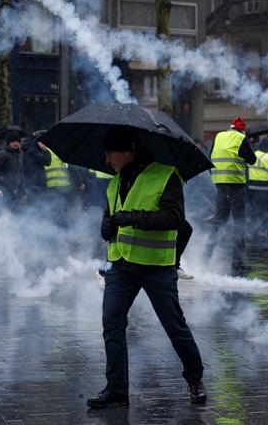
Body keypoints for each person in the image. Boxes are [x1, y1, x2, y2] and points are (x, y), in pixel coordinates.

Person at [86, 128, 205, 409]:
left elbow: (175, 218)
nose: (106, 160)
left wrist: (131, 217)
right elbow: (111, 216)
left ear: (127, 152)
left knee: (174, 326)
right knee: (112, 325)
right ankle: (116, 390)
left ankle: (195, 378)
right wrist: (106, 226)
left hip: (156, 268)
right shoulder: (113, 183)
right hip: (121, 266)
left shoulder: (165, 176)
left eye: (110, 154)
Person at [205, 117, 256, 272]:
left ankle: (205, 257)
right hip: (235, 185)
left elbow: (209, 157)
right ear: (242, 130)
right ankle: (237, 263)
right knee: (239, 223)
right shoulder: (241, 138)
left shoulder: (219, 136)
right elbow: (252, 160)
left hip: (220, 184)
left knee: (219, 222)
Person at [0, 130, 25, 206]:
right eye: (13, 141)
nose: (15, 143)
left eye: (17, 141)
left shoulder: (20, 154)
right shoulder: (2, 155)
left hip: (13, 192)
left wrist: (22, 192)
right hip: (2, 192)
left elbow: (20, 174)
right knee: (3, 215)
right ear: (8, 142)